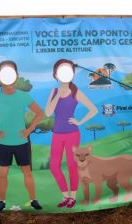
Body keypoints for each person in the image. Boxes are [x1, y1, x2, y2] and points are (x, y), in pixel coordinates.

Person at [0, 60, 44, 212]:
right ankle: (1, 201)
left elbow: (40, 113)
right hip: (4, 143)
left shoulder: (23, 96)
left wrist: (29, 130)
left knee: (27, 173)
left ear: (16, 76)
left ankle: (33, 200)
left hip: (21, 142)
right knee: (3, 174)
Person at [45, 59, 98, 208]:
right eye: (60, 71)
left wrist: (80, 121)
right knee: (54, 166)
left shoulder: (76, 92)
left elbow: (93, 109)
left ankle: (72, 197)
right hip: (57, 134)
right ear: (55, 74)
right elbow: (48, 113)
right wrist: (58, 94)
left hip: (72, 134)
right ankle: (65, 196)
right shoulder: (53, 92)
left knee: (71, 165)